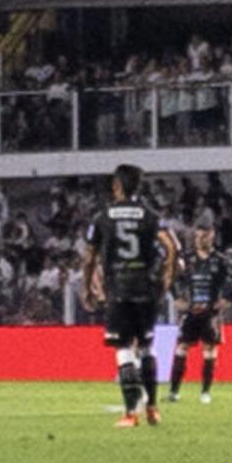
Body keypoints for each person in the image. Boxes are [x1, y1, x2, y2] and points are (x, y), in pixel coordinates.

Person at [87, 165, 174, 427]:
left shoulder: (102, 217)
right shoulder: (150, 215)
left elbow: (89, 256)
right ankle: (153, 409)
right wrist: (166, 277)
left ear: (116, 186)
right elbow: (170, 247)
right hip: (146, 290)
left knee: (124, 349)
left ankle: (130, 414)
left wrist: (87, 288)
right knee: (147, 347)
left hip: (119, 290)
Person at [172, 216, 232, 403]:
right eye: (198, 237)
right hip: (190, 312)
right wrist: (177, 298)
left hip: (210, 313)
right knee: (181, 348)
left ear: (212, 236)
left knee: (209, 349)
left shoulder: (220, 260)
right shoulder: (187, 259)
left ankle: (205, 392)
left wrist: (226, 299)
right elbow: (170, 278)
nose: (200, 240)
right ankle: (174, 392)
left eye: (204, 236)